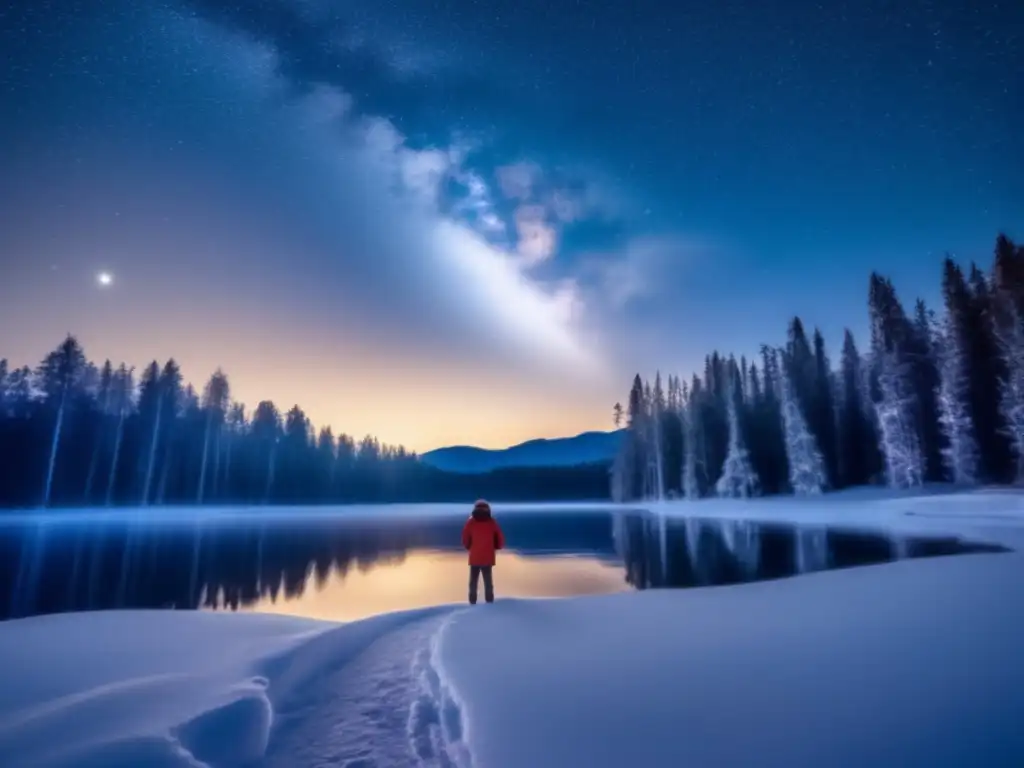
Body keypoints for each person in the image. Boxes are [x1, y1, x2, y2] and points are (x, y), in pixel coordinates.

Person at [461, 499, 505, 604]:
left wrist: (469, 547)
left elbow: (465, 538)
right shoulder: (492, 522)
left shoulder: (470, 522)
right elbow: (500, 539)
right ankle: (489, 602)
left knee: (473, 583)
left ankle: (472, 603)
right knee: (488, 582)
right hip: (488, 557)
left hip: (474, 557)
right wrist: (497, 547)